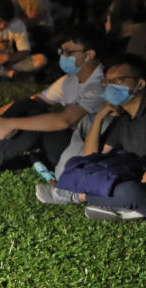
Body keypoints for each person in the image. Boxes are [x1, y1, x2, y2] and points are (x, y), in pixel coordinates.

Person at [0, 26, 105, 181]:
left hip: (82, 151)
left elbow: (65, 120)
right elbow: (34, 101)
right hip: (65, 141)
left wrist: (12, 123)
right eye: (61, 51)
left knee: (37, 118)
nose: (62, 56)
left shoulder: (99, 85)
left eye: (69, 53)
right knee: (29, 105)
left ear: (89, 55)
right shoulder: (70, 80)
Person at [35, 56, 146, 221]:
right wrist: (100, 117)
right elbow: (91, 156)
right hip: (131, 175)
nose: (111, 86)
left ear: (141, 84)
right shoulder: (124, 120)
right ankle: (120, 205)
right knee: (75, 163)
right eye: (107, 82)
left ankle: (78, 197)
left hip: (139, 184)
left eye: (119, 80)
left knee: (131, 192)